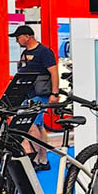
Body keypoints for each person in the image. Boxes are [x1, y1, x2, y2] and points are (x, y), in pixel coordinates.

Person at [10, 25, 58, 171]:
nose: (17, 41)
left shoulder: (44, 52)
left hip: (40, 95)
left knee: (31, 127)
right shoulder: (25, 53)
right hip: (28, 94)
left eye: (18, 37)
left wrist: (54, 94)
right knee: (39, 126)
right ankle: (43, 160)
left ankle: (37, 158)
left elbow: (54, 72)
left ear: (27, 37)